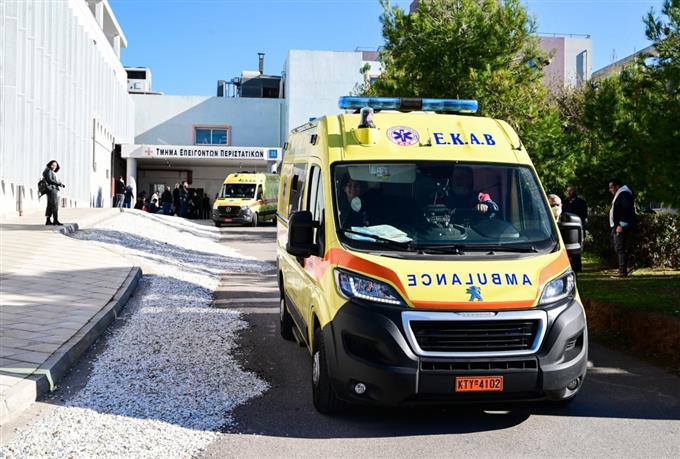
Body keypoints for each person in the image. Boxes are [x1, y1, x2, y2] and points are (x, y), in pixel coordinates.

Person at [609, 178, 636, 277]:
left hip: (621, 226)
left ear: (617, 186)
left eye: (611, 187)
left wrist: (621, 224)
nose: (610, 190)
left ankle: (623, 271)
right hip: (618, 225)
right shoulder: (621, 194)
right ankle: (626, 267)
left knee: (620, 248)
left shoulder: (624, 194)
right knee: (619, 247)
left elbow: (626, 210)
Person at [42, 160, 65, 225]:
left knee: (50, 205)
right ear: (50, 164)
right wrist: (59, 184)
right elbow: (50, 180)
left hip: (51, 189)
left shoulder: (49, 171)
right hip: (52, 190)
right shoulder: (48, 171)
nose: (54, 166)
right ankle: (55, 220)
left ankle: (48, 220)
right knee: (55, 205)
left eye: (55, 165)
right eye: (53, 165)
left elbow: (51, 180)